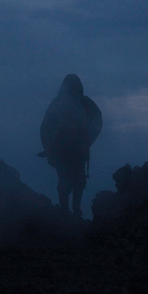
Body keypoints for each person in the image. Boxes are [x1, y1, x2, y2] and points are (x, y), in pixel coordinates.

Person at [39, 74, 102, 217]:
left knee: (65, 178)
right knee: (78, 179)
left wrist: (48, 147)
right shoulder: (85, 102)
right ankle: (75, 209)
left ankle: (65, 209)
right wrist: (88, 140)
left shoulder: (57, 103)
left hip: (62, 149)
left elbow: (45, 127)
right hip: (78, 148)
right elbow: (97, 121)